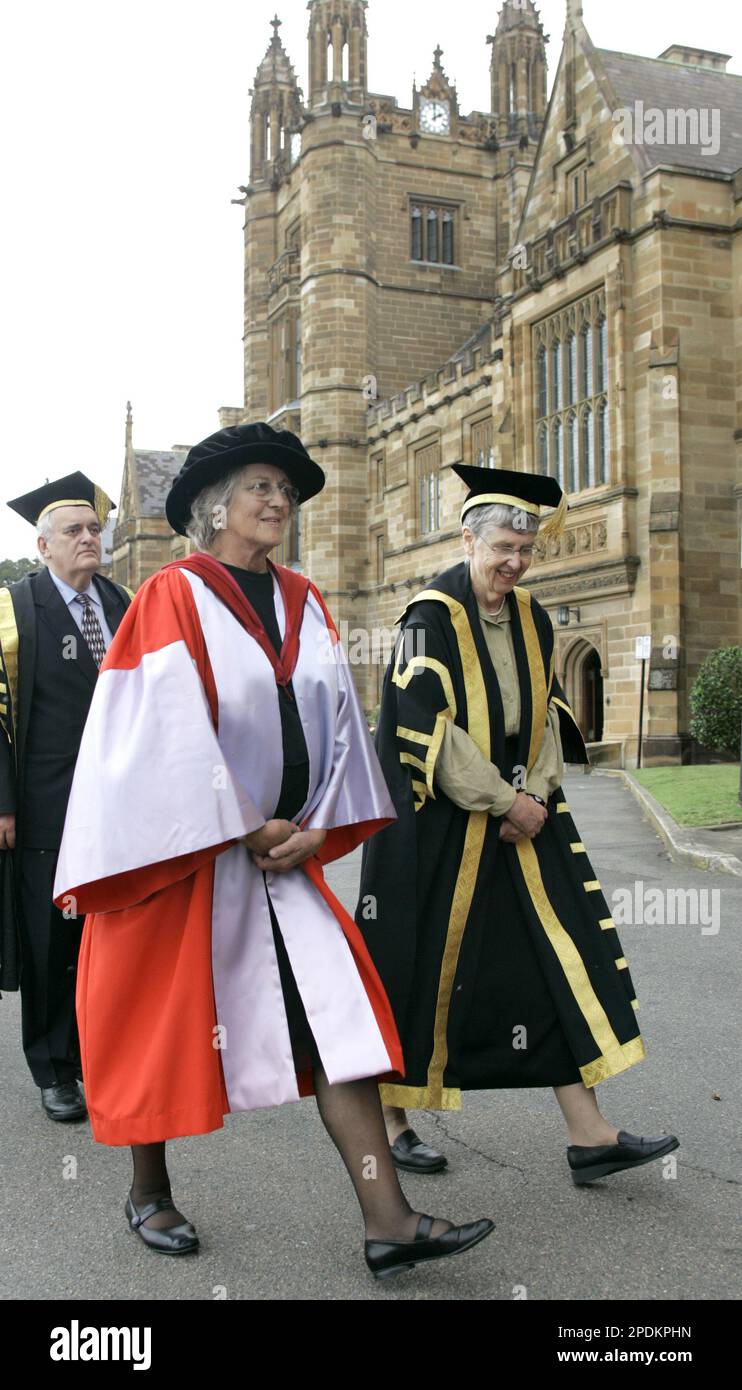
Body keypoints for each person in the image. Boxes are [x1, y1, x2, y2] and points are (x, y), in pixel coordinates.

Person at [53, 423, 494, 1278]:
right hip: (185, 860)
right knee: (159, 1026)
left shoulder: (305, 598)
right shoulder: (172, 595)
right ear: (215, 507)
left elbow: (337, 724)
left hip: (288, 855)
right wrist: (241, 823)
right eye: (261, 486)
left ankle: (388, 1219)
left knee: (339, 1029)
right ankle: (149, 1189)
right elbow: (153, 733)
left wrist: (322, 824)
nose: (279, 501)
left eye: (285, 490)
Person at [357, 465, 679, 1186]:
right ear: (468, 537)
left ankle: (589, 1133)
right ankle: (392, 1117)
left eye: (525, 551)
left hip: (525, 821)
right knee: (418, 968)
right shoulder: (427, 618)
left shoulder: (532, 615)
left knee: (552, 956)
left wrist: (532, 793)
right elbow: (420, 730)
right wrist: (504, 803)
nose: (514, 562)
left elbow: (546, 716)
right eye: (503, 547)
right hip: (442, 828)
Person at [0, 474, 131, 1121]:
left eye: (94, 528)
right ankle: (55, 1071)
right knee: (52, 943)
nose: (89, 538)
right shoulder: (15, 611)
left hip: (116, 810)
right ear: (43, 544)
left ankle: (97, 1058)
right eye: (74, 531)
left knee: (109, 939)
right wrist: (3, 803)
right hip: (46, 806)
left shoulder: (121, 601)